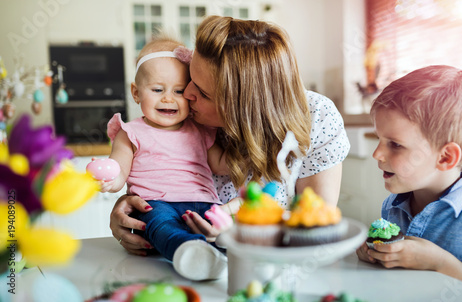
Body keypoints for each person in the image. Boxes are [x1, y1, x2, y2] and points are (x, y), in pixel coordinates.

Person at [110, 15, 350, 280]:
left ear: (240, 106)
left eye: (202, 92)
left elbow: (315, 229)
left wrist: (232, 232)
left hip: (273, 277)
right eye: (190, 78)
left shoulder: (317, 118)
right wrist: (129, 206)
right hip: (172, 270)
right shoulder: (183, 116)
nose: (186, 94)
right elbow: (154, 169)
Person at [356, 65, 462, 297]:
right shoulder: (393, 207)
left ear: (445, 157)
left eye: (395, 144)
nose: (377, 154)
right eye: (378, 139)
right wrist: (376, 255)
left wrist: (440, 264)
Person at [102, 31, 229, 280]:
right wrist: (108, 179)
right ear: (137, 93)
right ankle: (188, 251)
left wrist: (250, 156)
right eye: (158, 89)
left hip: (204, 201)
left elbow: (220, 165)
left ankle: (218, 255)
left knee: (220, 226)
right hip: (156, 203)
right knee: (161, 226)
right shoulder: (130, 132)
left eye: (179, 91)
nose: (169, 98)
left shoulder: (201, 129)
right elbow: (119, 170)